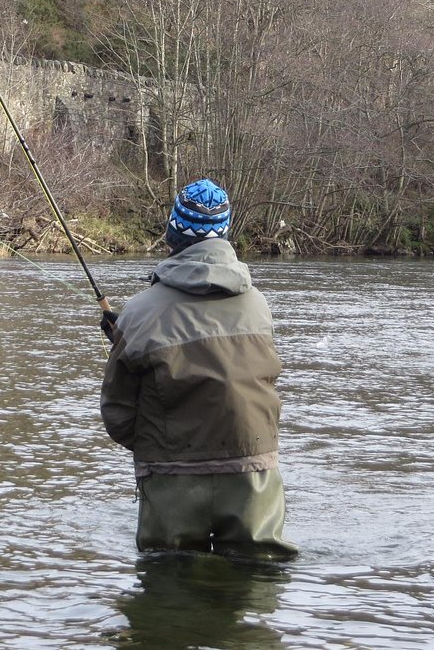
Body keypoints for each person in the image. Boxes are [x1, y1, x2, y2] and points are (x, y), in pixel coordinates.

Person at [100, 178, 297, 560]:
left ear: (172, 232)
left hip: (171, 475)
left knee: (169, 587)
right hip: (252, 470)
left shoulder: (139, 312)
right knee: (255, 586)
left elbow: (118, 415)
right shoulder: (259, 306)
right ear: (224, 235)